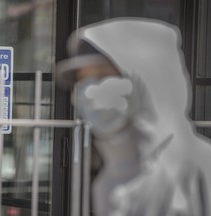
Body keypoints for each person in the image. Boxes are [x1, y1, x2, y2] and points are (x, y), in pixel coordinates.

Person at [56, 17, 211, 216]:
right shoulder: (109, 180)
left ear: (147, 78)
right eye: (83, 79)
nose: (88, 91)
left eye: (104, 75)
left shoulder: (197, 170)